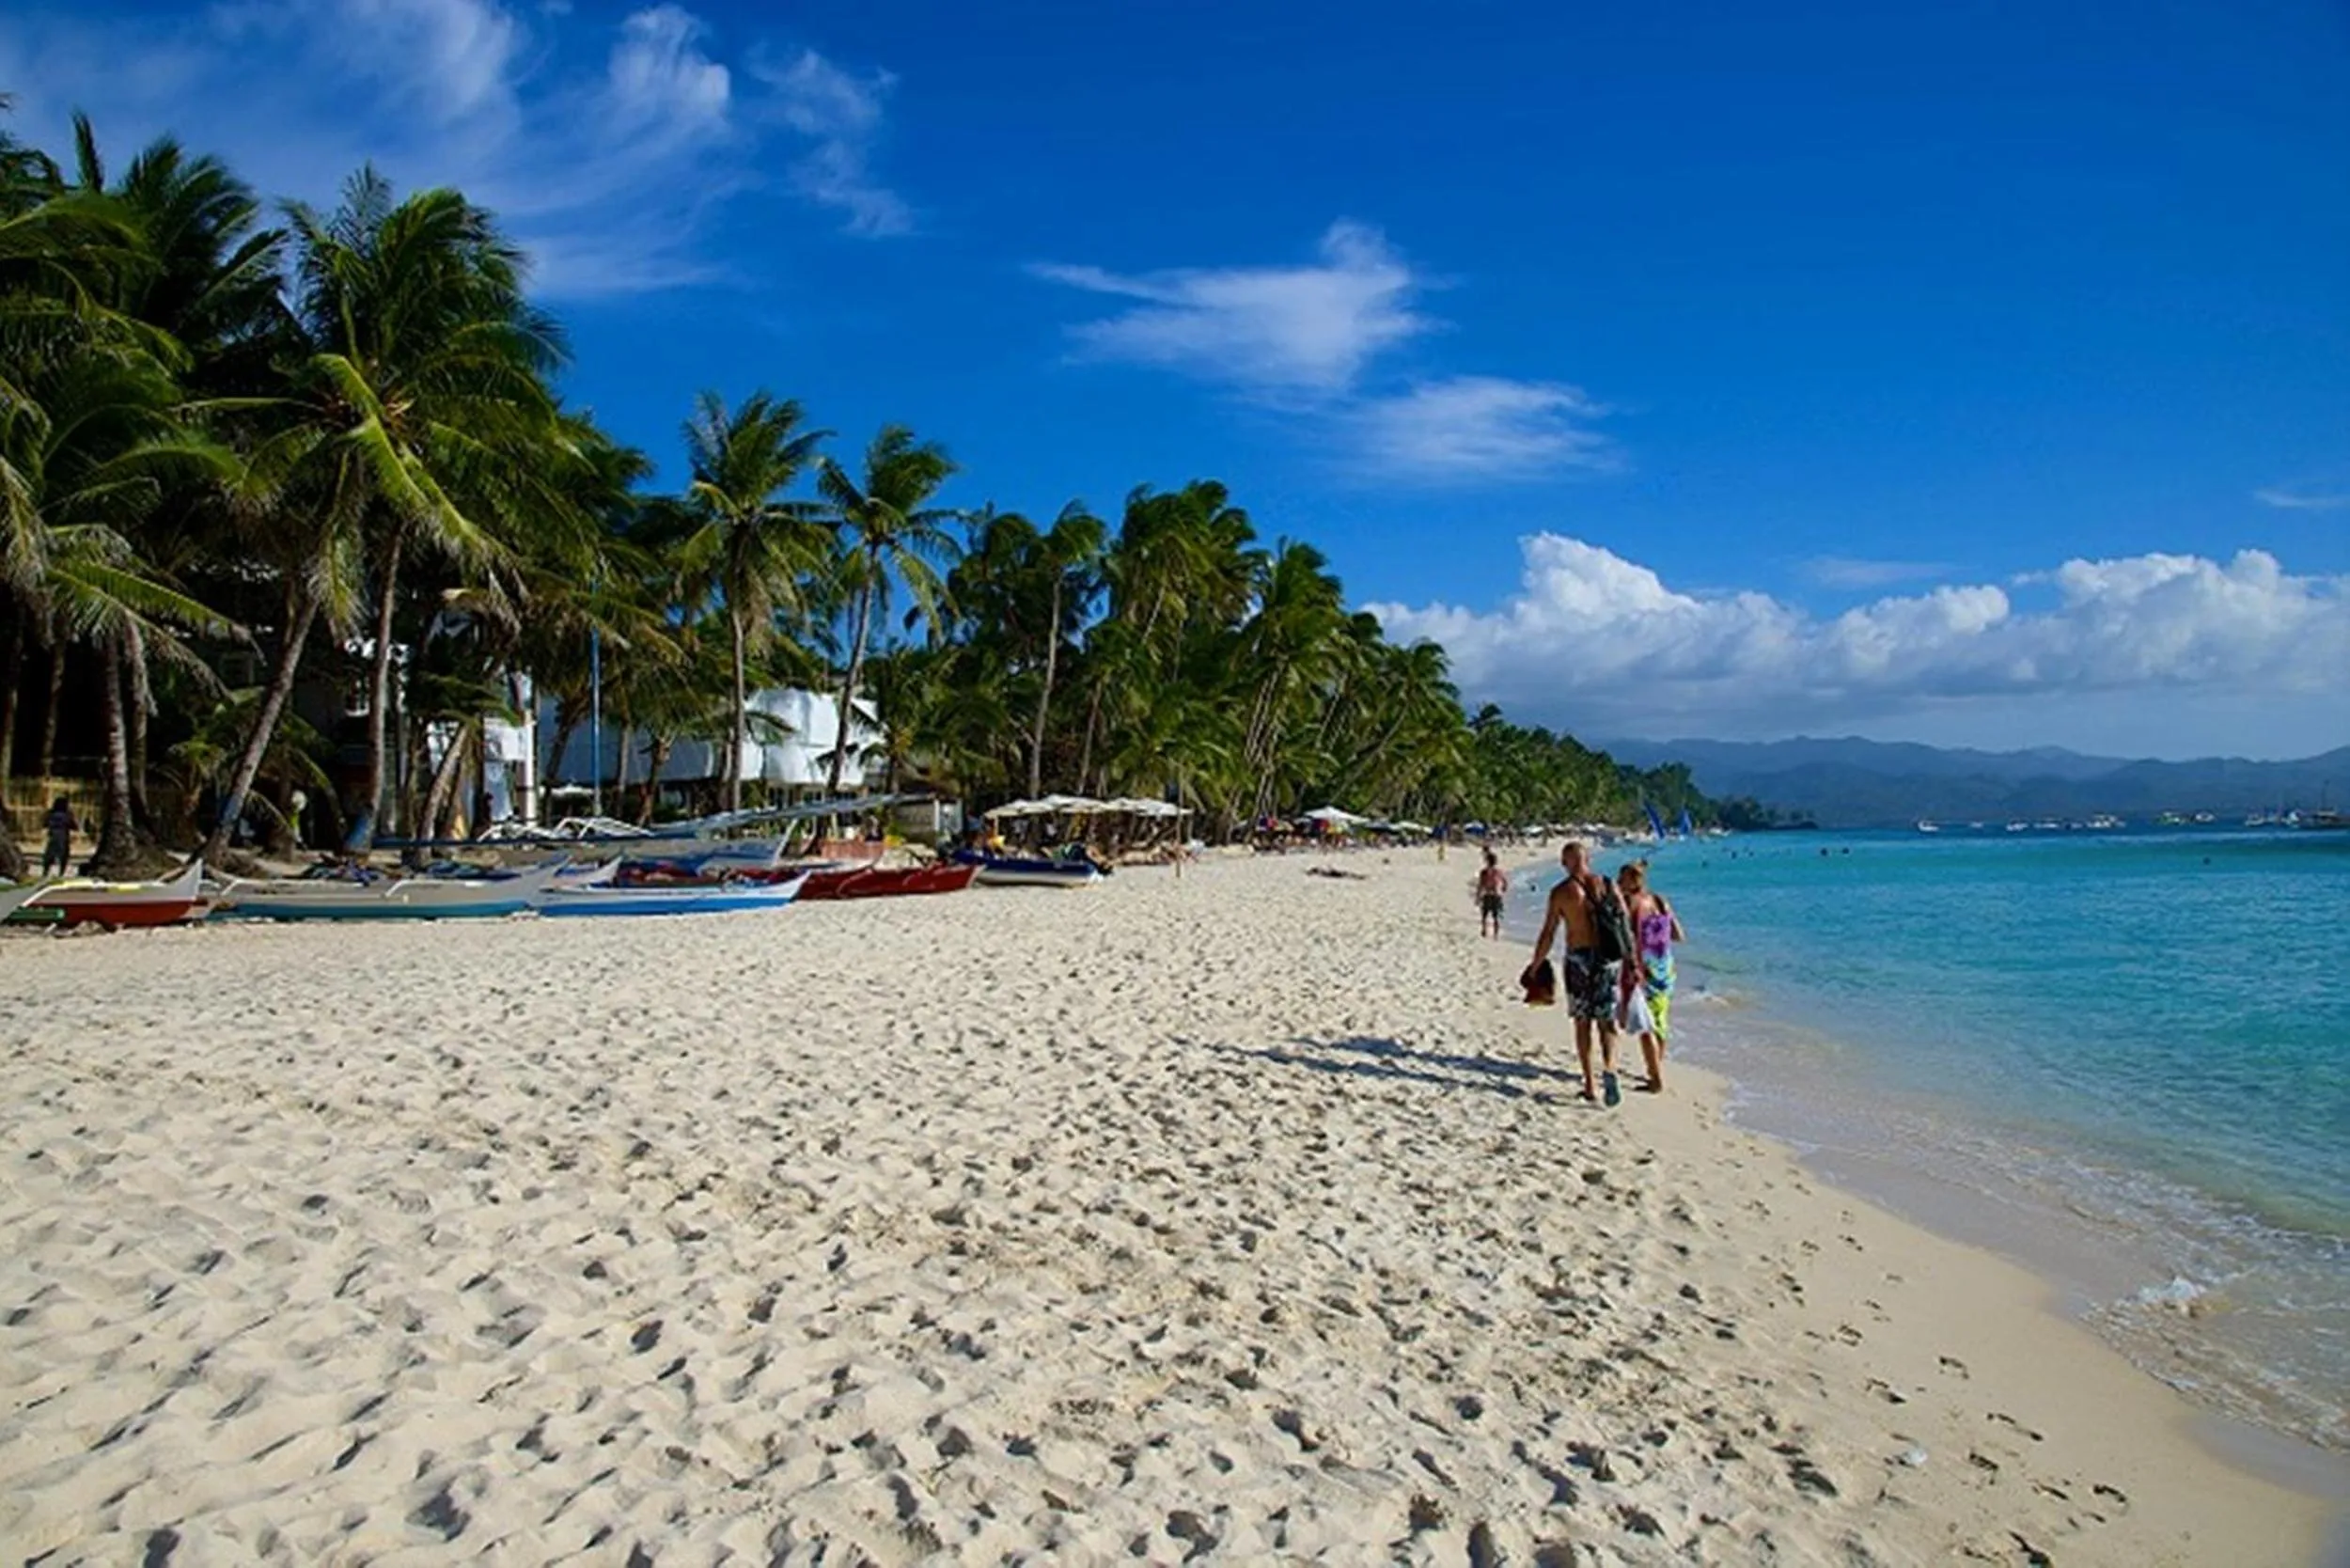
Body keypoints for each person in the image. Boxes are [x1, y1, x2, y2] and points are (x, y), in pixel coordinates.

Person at [1530, 839, 1625, 1105]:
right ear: (1588, 859)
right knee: (1607, 1022)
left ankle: (1590, 1084)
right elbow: (1623, 924)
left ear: (1564, 863)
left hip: (1578, 960)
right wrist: (1633, 962)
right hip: (1608, 959)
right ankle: (1610, 1066)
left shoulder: (1561, 892)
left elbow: (1549, 932)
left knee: (1582, 1022)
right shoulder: (1608, 884)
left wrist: (1536, 963)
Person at [1617, 861, 1684, 1093]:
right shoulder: (1659, 901)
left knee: (1645, 1025)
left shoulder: (1630, 904)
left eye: (1622, 877)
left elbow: (1629, 941)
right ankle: (1655, 1067)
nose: (1617, 882)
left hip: (1642, 969)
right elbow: (1678, 935)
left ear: (1632, 880)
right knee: (1660, 1021)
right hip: (1664, 967)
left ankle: (1655, 1079)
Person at [1475, 850, 1508, 938]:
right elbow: (1505, 883)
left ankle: (1484, 931)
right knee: (1496, 916)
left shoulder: (1484, 872)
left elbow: (1481, 885)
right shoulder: (1499, 872)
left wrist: (1478, 897)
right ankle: (1495, 934)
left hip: (1487, 895)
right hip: (1497, 895)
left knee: (1484, 915)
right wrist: (1503, 890)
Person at [40, 797, 76, 877]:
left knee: (49, 855)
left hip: (53, 836)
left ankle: (45, 872)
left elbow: (44, 824)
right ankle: (61, 873)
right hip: (63, 837)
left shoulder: (50, 814)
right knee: (63, 856)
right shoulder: (68, 815)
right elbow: (74, 826)